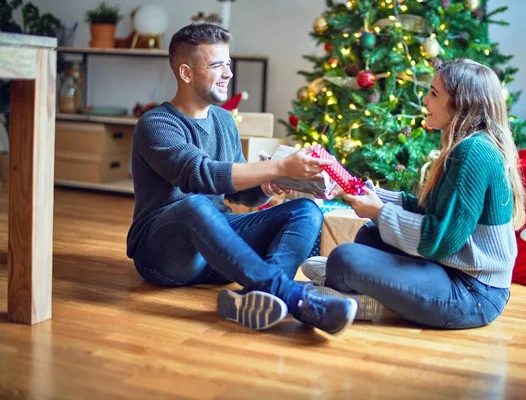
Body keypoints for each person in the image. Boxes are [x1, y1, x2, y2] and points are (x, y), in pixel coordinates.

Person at [126, 23, 357, 335]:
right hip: (166, 255)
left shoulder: (223, 120)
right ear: (186, 73)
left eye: (228, 64)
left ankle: (253, 299)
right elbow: (200, 175)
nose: (228, 73)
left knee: (305, 211)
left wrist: (266, 185)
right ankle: (294, 298)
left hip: (217, 246)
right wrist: (280, 167)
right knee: (195, 206)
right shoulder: (156, 124)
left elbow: (239, 194)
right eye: (216, 65)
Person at [302, 59, 526, 329]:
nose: (424, 99)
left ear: (460, 103)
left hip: (474, 293)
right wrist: (368, 193)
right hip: (455, 272)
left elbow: (441, 239)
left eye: (433, 93)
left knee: (345, 258)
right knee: (370, 235)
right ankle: (358, 292)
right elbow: (426, 211)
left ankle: (349, 291)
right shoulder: (469, 145)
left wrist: (379, 211)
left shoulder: (473, 153)